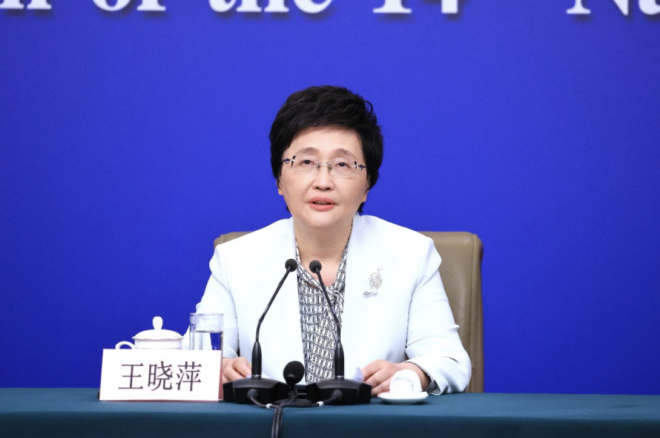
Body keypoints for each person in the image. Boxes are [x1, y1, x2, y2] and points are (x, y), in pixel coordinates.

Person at [193, 86, 471, 395]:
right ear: (279, 180)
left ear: (367, 185)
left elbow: (450, 361)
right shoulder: (234, 260)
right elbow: (199, 356)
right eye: (305, 162)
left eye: (342, 165)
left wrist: (411, 373)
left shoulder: (411, 253)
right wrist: (218, 368)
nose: (323, 182)